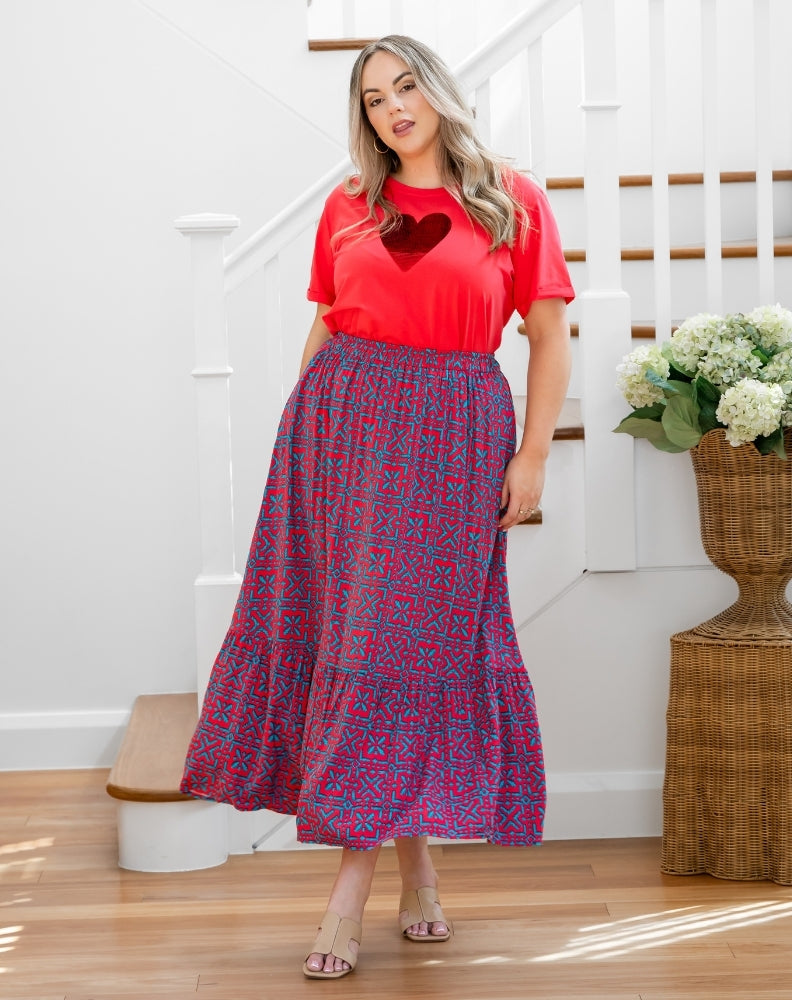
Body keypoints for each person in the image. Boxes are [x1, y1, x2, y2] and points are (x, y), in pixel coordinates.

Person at [180, 34, 574, 980]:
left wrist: (532, 457)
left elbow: (551, 336)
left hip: (452, 437)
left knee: (401, 647)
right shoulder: (350, 204)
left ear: (437, 91)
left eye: (405, 87)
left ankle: (347, 893)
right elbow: (326, 323)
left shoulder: (512, 201)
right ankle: (418, 871)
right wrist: (297, 438)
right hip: (338, 434)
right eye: (372, 98)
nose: (393, 108)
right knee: (354, 638)